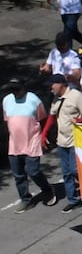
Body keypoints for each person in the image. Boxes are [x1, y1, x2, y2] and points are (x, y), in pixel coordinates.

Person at [5, 77, 53, 212]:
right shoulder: (7, 100)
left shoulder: (33, 99)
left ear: (23, 88)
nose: (14, 92)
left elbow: (42, 118)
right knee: (18, 175)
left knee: (33, 171)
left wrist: (44, 136)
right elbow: (7, 120)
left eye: (17, 89)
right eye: (12, 89)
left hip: (32, 142)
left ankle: (47, 189)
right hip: (14, 144)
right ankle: (26, 199)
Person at [47, 73, 82, 211]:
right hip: (61, 141)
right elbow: (52, 117)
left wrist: (78, 121)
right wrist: (44, 134)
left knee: (74, 170)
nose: (51, 87)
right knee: (66, 172)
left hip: (75, 140)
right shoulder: (55, 99)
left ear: (61, 84)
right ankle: (73, 199)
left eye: (52, 84)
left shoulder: (76, 96)